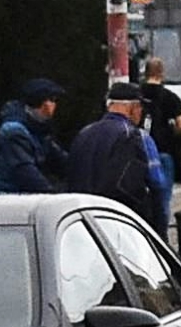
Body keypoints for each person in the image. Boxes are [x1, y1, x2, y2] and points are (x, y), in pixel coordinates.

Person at [67, 81, 158, 223]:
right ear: (133, 107)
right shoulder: (129, 135)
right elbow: (131, 187)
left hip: (79, 218)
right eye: (140, 107)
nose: (141, 112)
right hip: (113, 218)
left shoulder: (84, 133)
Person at [0, 79, 68, 193]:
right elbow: (26, 174)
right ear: (41, 102)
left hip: (26, 200)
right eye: (52, 100)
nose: (54, 105)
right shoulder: (14, 132)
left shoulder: (39, 131)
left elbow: (63, 162)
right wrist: (56, 193)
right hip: (11, 201)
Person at [140, 57, 181, 185]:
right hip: (163, 151)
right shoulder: (171, 98)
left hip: (140, 152)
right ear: (161, 73)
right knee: (162, 197)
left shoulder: (137, 95)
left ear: (145, 73)